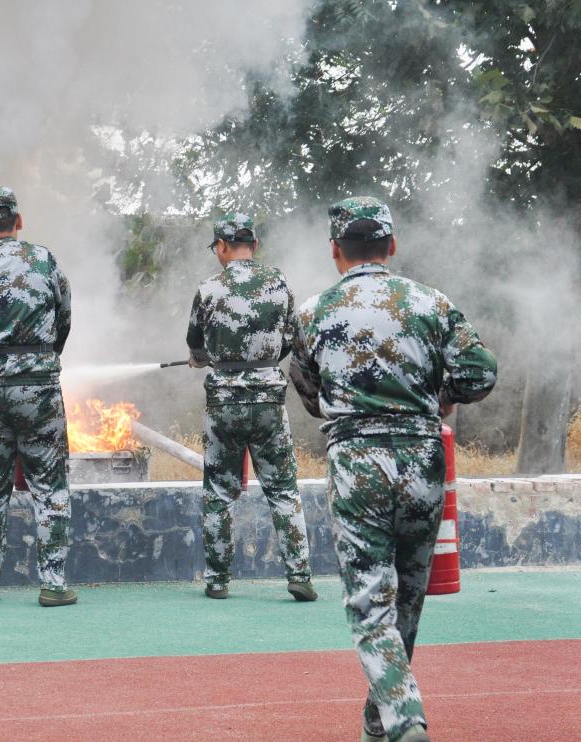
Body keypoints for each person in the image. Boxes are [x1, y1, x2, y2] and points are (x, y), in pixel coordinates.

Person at [289, 197, 497, 742]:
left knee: (369, 601)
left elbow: (309, 394)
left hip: (357, 461)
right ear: (392, 245)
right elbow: (479, 374)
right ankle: (378, 721)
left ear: (335, 250)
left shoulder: (312, 312)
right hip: (423, 458)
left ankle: (405, 721)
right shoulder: (431, 302)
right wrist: (437, 399)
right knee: (406, 596)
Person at [187, 212, 317, 602]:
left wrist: (203, 358)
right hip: (268, 402)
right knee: (283, 490)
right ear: (254, 245)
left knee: (218, 493)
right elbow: (292, 339)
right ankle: (299, 576)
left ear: (222, 246)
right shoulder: (279, 284)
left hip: (223, 404)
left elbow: (195, 344)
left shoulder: (209, 288)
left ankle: (217, 581)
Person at [0, 186, 76, 607]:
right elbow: (64, 317)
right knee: (50, 486)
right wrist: (42, 357)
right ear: (18, 220)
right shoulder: (44, 259)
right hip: (37, 384)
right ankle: (54, 584)